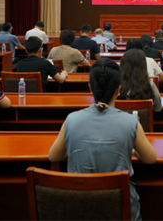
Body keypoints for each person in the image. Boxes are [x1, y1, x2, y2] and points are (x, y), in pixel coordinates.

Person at [48, 58, 157, 221]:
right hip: (121, 210)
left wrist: (73, 146)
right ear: (119, 89)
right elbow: (150, 158)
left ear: (90, 87)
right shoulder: (130, 122)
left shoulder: (72, 119)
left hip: (79, 209)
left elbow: (53, 156)